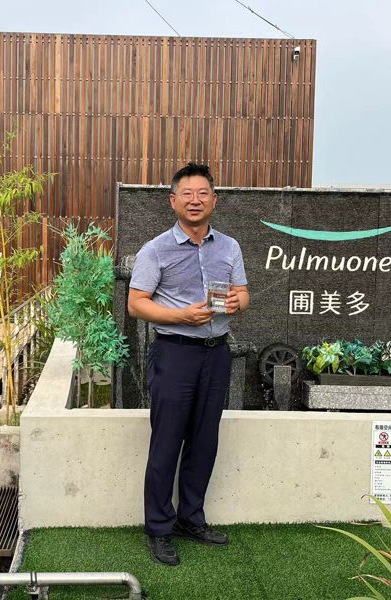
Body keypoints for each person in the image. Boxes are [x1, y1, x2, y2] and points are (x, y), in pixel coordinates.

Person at [127, 162, 249, 566]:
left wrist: (236, 302)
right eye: (187, 194)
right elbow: (136, 303)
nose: (195, 201)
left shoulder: (229, 246)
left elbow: (243, 294)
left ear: (215, 200)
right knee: (166, 442)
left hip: (216, 352)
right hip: (175, 352)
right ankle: (159, 528)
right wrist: (181, 316)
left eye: (203, 194)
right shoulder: (155, 249)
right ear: (174, 201)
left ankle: (190, 518)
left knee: (204, 439)